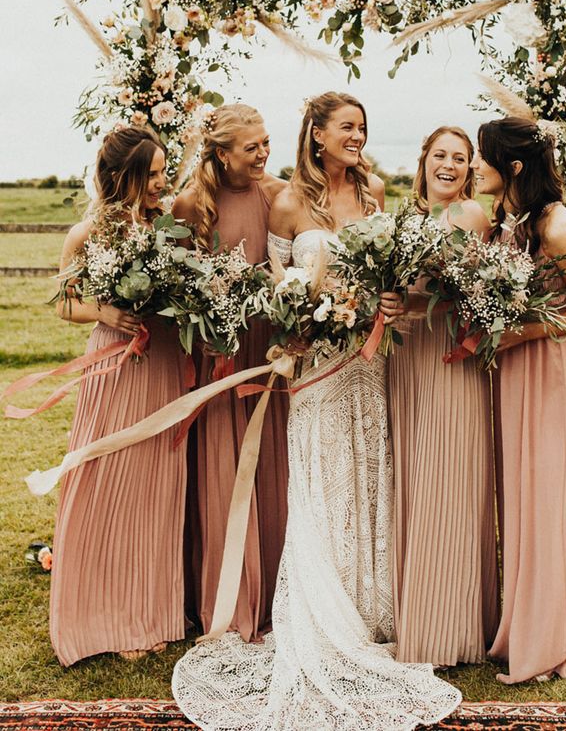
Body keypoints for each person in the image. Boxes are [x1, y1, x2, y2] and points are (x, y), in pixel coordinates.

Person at [172, 92, 460, 731]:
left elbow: (393, 271)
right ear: (318, 135)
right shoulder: (288, 203)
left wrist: (386, 303)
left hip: (371, 360)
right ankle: (322, 608)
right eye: (348, 128)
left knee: (366, 472)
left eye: (364, 126)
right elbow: (280, 288)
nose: (358, 137)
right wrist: (309, 313)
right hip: (316, 364)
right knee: (322, 479)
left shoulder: (378, 191)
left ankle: (372, 607)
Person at [472, 117, 566, 684]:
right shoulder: (510, 221)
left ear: (514, 168)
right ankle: (518, 629)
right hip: (518, 366)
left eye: (484, 158)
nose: (477, 168)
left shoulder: (555, 225)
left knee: (547, 499)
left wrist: (517, 333)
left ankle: (546, 646)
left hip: (552, 367)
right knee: (522, 497)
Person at [50, 126, 187, 665]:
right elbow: (64, 303)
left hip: (164, 363)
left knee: (157, 483)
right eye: (151, 174)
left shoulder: (170, 227)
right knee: (109, 480)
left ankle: (149, 612)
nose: (161, 182)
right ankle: (102, 612)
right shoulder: (87, 234)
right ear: (121, 177)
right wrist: (105, 312)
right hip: (115, 363)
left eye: (161, 173)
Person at [172, 104, 289, 642]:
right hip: (219, 354)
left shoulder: (278, 194)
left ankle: (274, 595)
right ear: (221, 154)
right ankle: (224, 597)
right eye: (252, 147)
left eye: (266, 142)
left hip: (268, 352)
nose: (264, 153)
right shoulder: (190, 205)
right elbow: (174, 287)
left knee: (270, 467)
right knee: (221, 467)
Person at [385, 126, 500, 667]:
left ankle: (451, 627)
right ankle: (417, 616)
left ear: (471, 169)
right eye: (440, 155)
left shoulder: (472, 218)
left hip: (454, 356)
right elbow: (396, 291)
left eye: (460, 158)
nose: (449, 165)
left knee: (451, 477)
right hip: (407, 357)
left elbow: (478, 292)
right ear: (423, 160)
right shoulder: (403, 221)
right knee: (415, 477)